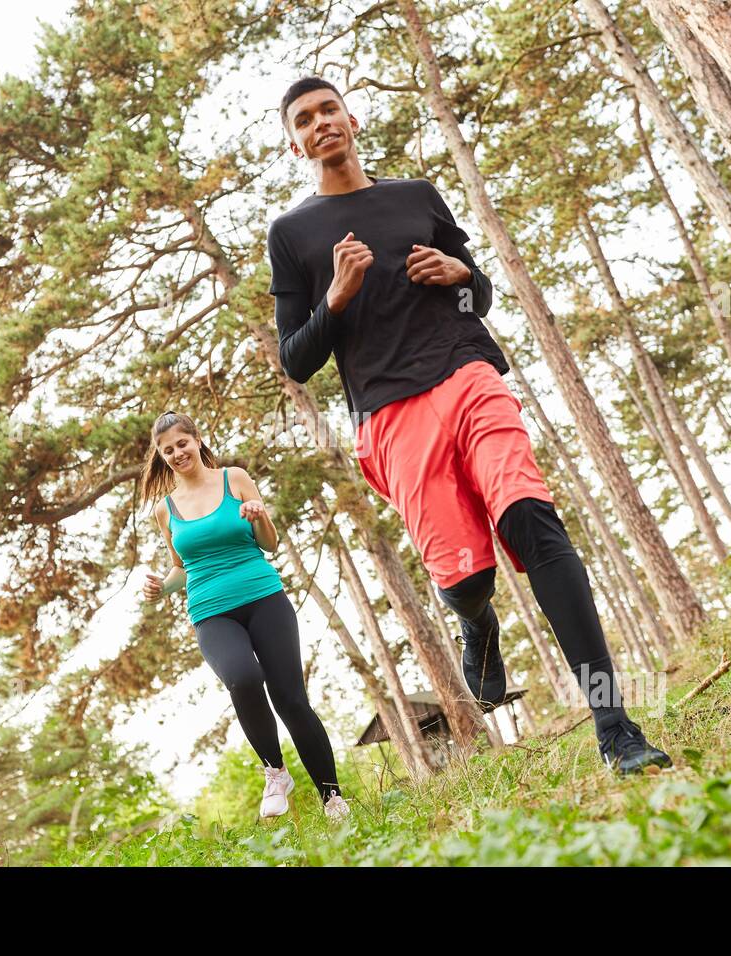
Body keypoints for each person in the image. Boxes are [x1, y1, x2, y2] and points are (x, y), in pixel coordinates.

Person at [266, 76, 671, 774]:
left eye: (329, 108)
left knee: (532, 520)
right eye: (305, 118)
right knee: (464, 576)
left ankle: (616, 727)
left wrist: (460, 271)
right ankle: (475, 621)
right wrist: (333, 298)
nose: (321, 121)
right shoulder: (293, 233)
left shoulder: (415, 196)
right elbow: (296, 361)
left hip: (468, 373)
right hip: (391, 411)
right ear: (294, 143)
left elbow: (476, 292)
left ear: (352, 118)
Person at [140, 411, 353, 819]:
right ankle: (275, 772)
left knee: (291, 700)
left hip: (263, 597)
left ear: (197, 439)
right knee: (242, 677)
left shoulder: (233, 478)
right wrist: (160, 587)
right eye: (167, 451)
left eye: (182, 444)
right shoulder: (165, 510)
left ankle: (333, 798)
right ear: (161, 456)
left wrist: (259, 516)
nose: (177, 453)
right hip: (210, 610)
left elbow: (270, 544)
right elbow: (180, 568)